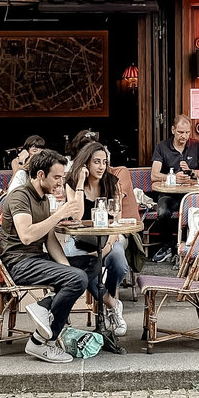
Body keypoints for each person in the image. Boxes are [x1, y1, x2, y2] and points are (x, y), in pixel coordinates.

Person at [0, 149, 86, 364]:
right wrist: (58, 214)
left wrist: (66, 268)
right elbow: (27, 236)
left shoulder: (44, 198)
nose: (60, 182)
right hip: (19, 263)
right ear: (40, 175)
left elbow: (50, 241)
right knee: (78, 278)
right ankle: (42, 344)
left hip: (37, 259)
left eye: (62, 177)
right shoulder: (20, 195)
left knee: (92, 264)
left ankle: (44, 307)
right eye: (56, 177)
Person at [64, 141, 129, 335]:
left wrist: (107, 246)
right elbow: (76, 216)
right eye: (96, 162)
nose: (101, 167)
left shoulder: (112, 182)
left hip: (110, 237)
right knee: (78, 267)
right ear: (86, 164)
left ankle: (107, 304)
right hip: (80, 240)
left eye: (104, 162)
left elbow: (117, 221)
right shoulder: (72, 183)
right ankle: (111, 304)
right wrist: (80, 185)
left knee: (119, 262)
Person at [150, 115, 199, 257]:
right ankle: (168, 246)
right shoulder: (162, 147)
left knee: (198, 213)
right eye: (180, 132)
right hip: (168, 194)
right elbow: (154, 175)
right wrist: (173, 177)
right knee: (163, 213)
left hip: (192, 194)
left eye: (187, 132)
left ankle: (191, 247)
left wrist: (192, 172)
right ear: (173, 130)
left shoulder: (197, 145)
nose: (184, 136)